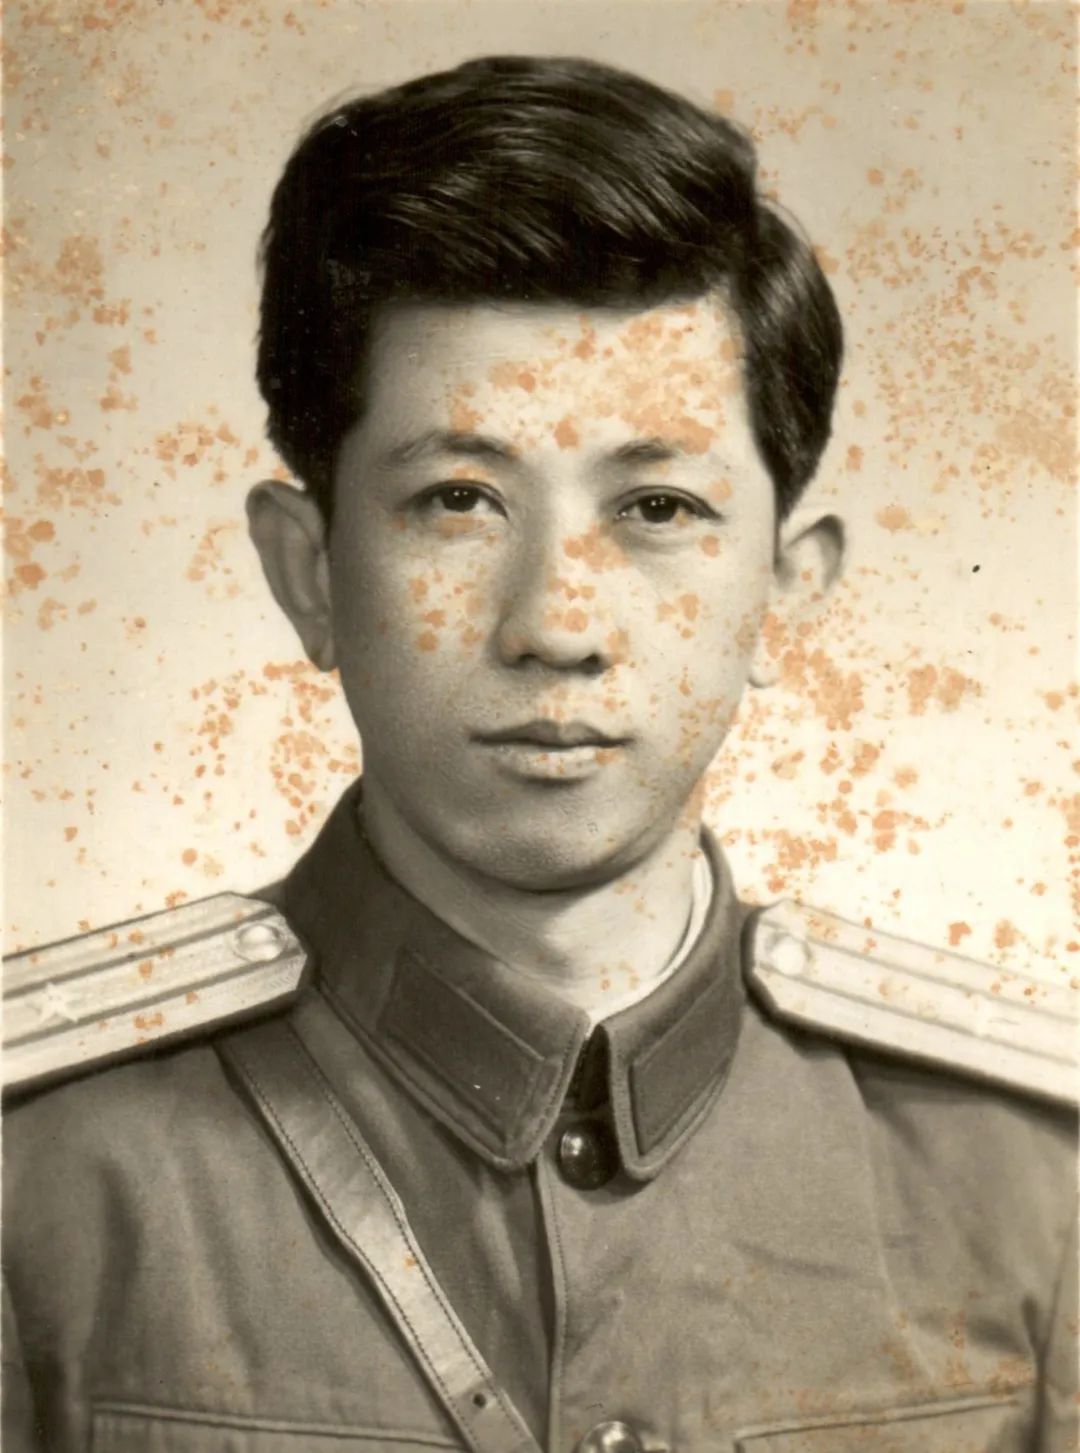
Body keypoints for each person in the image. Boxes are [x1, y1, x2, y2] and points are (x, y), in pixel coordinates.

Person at [3, 55, 1075, 1453]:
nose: (556, 625)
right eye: (459, 499)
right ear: (309, 570)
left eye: (658, 506)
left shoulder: (1027, 1178)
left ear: (786, 584)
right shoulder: (42, 1175)